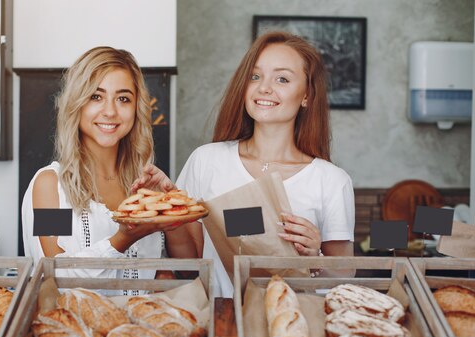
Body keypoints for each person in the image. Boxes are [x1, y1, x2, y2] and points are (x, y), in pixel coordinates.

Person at [133, 32, 355, 297]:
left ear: (307, 95)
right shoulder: (206, 160)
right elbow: (189, 264)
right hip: (219, 324)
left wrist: (316, 258)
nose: (264, 88)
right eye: (255, 76)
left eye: (282, 79)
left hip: (292, 326)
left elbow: (343, 276)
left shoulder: (331, 180)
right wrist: (170, 210)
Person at [21, 46, 195, 284]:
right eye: (96, 96)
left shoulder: (144, 188)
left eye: (123, 99)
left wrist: (170, 213)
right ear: (77, 103)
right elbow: (56, 276)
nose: (111, 111)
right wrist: (124, 238)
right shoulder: (51, 186)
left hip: (141, 321)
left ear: (136, 109)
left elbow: (190, 271)